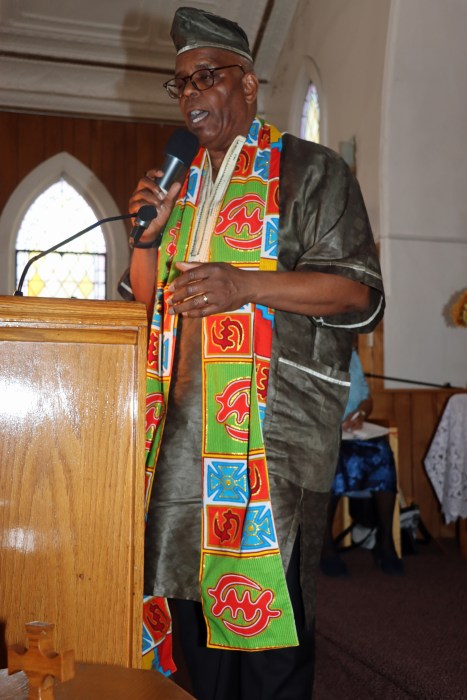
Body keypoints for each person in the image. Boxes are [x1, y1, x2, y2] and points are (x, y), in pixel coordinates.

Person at [129, 7, 384, 699]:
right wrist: (148, 240)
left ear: (248, 84)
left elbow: (356, 293)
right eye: (179, 83)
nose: (189, 95)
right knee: (187, 606)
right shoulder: (180, 189)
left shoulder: (310, 170)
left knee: (263, 627)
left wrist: (245, 284)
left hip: (266, 434)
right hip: (180, 435)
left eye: (205, 77)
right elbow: (145, 302)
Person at [320, 348, 404, 576]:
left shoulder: (351, 354)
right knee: (334, 460)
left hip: (355, 434)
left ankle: (385, 544)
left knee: (382, 454)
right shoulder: (312, 350)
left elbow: (366, 398)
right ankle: (325, 546)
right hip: (324, 433)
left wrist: (361, 415)